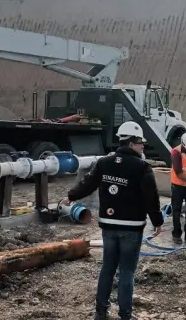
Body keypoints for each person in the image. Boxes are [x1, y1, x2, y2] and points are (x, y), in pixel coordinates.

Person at [62, 121, 164, 320]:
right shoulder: (142, 167)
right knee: (126, 271)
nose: (143, 146)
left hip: (109, 225)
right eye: (141, 142)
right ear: (132, 143)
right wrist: (157, 221)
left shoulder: (104, 162)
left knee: (108, 268)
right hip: (132, 228)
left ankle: (101, 312)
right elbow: (151, 197)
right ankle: (125, 315)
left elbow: (87, 183)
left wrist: (71, 196)